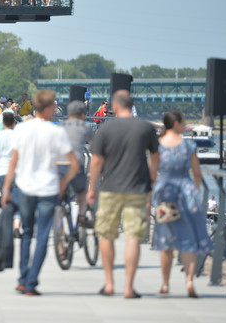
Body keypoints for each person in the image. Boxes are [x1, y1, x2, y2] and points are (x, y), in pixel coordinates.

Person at [1, 89, 79, 296]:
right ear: (48, 108)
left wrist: (7, 189)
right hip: (48, 188)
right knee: (43, 236)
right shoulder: (56, 132)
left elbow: (14, 162)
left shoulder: (22, 130)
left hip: (25, 187)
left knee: (27, 233)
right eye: (54, 105)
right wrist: (63, 182)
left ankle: (22, 278)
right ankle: (32, 282)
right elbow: (74, 163)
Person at [87, 90, 160, 299]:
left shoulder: (106, 129)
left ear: (115, 107)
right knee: (133, 238)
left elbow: (96, 161)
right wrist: (152, 179)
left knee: (106, 235)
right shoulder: (145, 128)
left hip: (110, 188)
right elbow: (155, 157)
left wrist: (92, 187)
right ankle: (129, 287)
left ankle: (109, 283)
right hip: (137, 189)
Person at [152, 111, 214, 298]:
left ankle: (164, 284)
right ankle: (189, 281)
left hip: (166, 193)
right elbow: (196, 173)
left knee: (166, 242)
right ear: (177, 123)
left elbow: (152, 173)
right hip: (186, 194)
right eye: (183, 122)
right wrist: (194, 190)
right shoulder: (188, 145)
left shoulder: (158, 146)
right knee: (189, 240)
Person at [61, 101, 94, 224]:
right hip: (76, 165)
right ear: (83, 114)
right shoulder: (86, 126)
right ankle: (81, 216)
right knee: (82, 191)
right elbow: (93, 146)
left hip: (58, 165)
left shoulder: (61, 126)